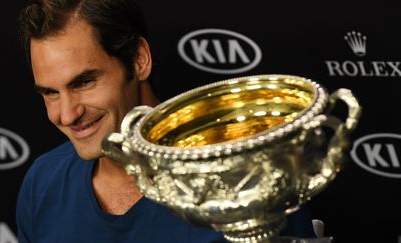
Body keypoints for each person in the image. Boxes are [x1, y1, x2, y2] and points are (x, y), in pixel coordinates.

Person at [16, 0, 316, 242]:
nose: (66, 115)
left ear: (138, 60)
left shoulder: (247, 178)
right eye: (50, 93)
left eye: (84, 83)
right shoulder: (42, 183)